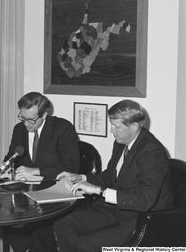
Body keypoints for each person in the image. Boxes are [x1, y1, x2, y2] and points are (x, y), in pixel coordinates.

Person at [54, 99, 173, 252]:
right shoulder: (121, 142)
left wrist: (99, 190)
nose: (112, 131)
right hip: (117, 209)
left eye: (117, 126)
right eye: (112, 125)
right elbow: (111, 176)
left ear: (134, 126)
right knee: (63, 221)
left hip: (142, 219)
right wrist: (81, 178)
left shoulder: (152, 152)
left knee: (86, 244)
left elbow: (144, 200)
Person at [3, 91, 80, 252]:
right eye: (22, 118)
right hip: (27, 187)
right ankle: (26, 247)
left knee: (36, 214)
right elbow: (12, 157)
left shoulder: (63, 128)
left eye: (31, 120)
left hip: (55, 186)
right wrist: (6, 168)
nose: (26, 124)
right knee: (5, 209)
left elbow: (71, 167)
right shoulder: (19, 129)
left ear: (44, 114)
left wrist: (36, 171)